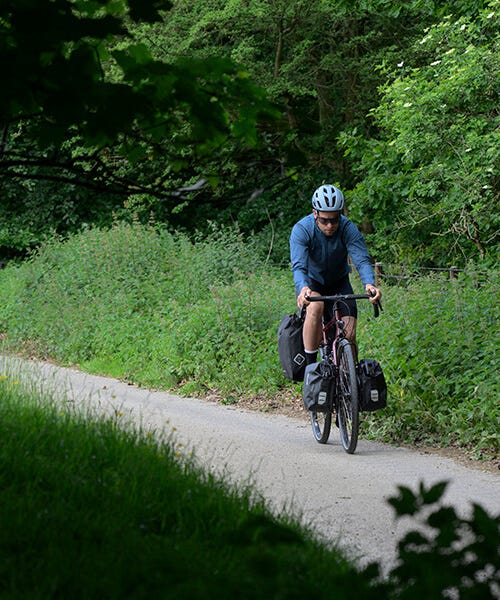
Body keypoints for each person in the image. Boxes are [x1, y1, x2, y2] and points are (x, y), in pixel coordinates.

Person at [290, 184, 382, 365]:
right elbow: (299, 266)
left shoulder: (348, 228)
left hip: (339, 281)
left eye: (335, 219)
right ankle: (311, 367)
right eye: (325, 220)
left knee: (349, 333)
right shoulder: (302, 229)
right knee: (315, 308)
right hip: (312, 283)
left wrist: (369, 284)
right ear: (315, 213)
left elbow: (361, 260)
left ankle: (351, 378)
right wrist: (303, 288)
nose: (330, 225)